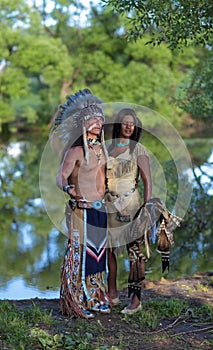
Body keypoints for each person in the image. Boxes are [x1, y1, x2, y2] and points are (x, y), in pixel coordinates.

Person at [53, 88, 112, 319]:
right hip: (81, 211)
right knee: (78, 255)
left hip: (100, 210)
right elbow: (60, 177)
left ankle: (96, 297)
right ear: (82, 124)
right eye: (92, 120)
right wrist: (68, 188)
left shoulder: (103, 150)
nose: (97, 124)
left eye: (100, 120)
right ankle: (75, 300)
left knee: (98, 256)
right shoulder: (76, 151)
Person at [106, 108, 152, 314]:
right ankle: (112, 294)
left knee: (134, 253)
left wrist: (147, 208)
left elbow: (147, 181)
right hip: (109, 205)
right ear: (119, 125)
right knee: (109, 250)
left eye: (131, 123)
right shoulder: (109, 149)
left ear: (135, 127)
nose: (128, 126)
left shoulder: (138, 150)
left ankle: (135, 300)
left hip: (131, 205)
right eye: (125, 122)